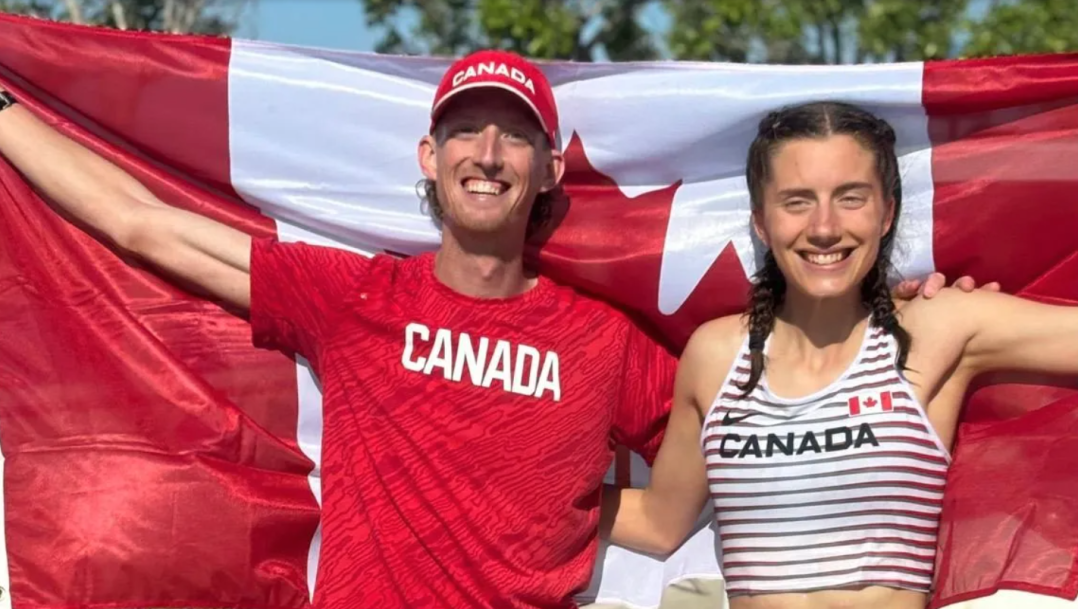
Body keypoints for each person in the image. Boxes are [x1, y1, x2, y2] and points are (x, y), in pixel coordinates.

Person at [0, 53, 978, 609]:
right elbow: (142, 225)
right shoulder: (353, 298)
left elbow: (770, 416)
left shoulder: (603, 341)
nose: (488, 152)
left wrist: (882, 316)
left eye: (513, 134)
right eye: (466, 130)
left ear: (549, 168)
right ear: (429, 159)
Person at [599, 99, 1078, 609]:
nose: (824, 227)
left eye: (850, 198)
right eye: (797, 201)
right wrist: (511, 485)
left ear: (887, 211)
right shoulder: (716, 354)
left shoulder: (939, 326)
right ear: (761, 221)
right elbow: (657, 522)